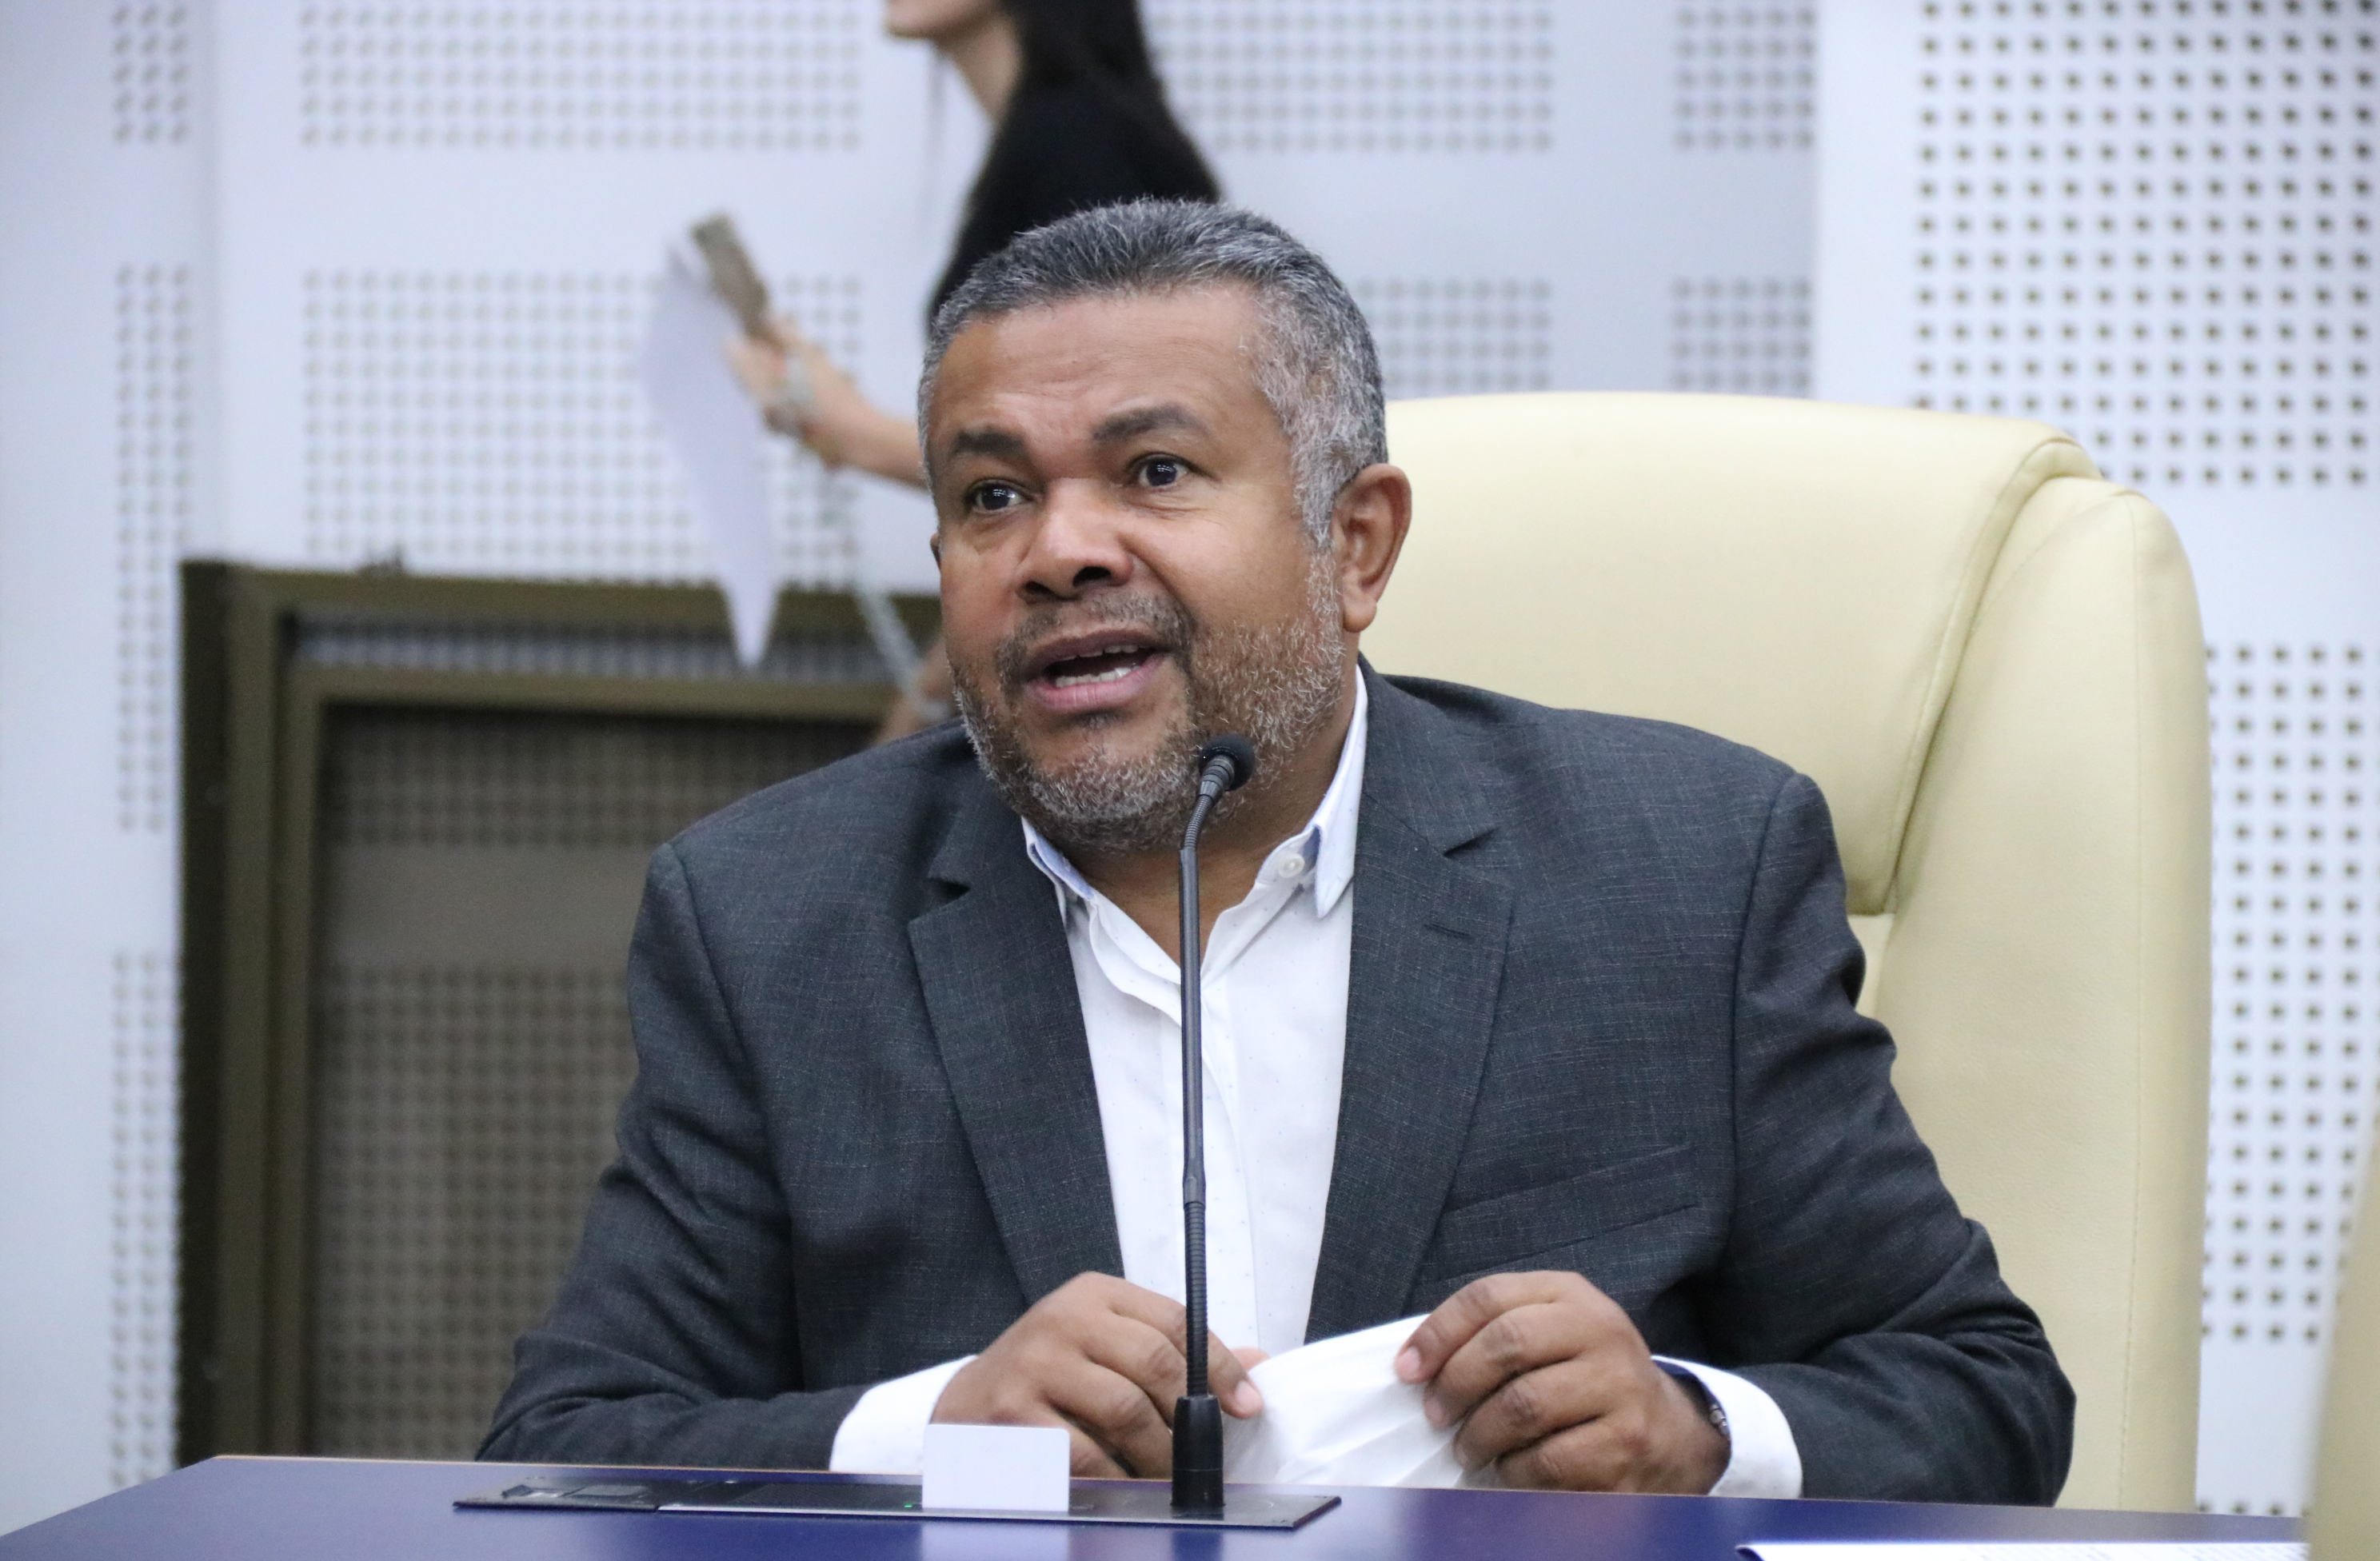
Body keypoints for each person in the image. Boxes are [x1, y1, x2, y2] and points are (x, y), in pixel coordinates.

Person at [484, 202, 2074, 1502]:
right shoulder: (769, 914)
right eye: (993, 492)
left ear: (1355, 543)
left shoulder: (1682, 870)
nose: (1060, 549)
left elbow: (1981, 1395)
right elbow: (567, 1451)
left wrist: (1697, 1430)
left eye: (1156, 471)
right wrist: (931, 1432)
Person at [729, 0, 1220, 737]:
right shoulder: (1055, 138)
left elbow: (1099, 467)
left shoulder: (1082, 147)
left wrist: (851, 429)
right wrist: (928, 706)